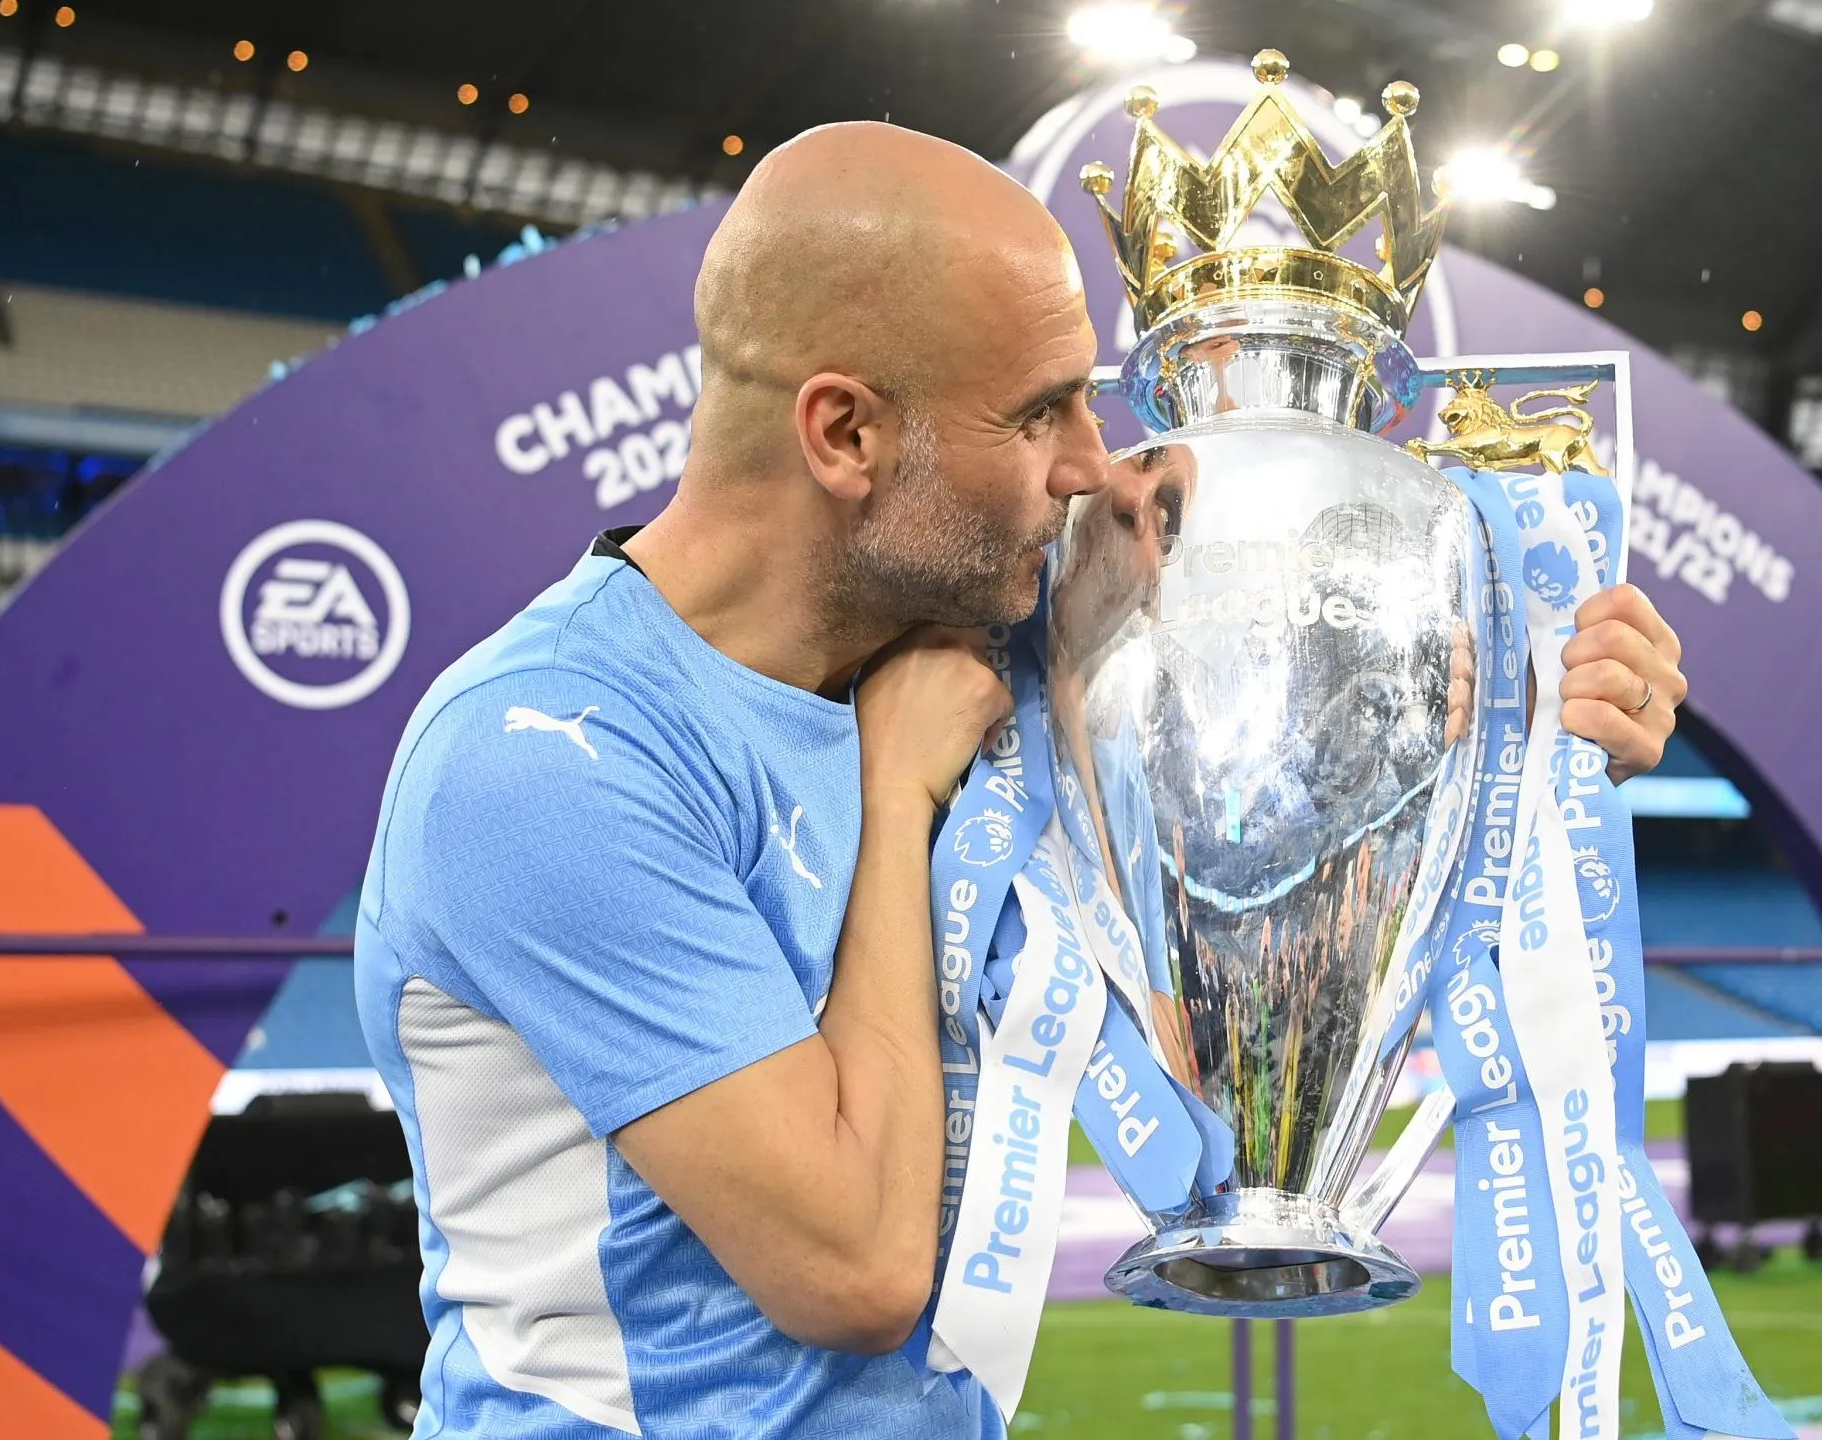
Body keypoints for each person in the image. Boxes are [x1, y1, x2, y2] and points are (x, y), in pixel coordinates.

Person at [355, 120, 1690, 1440]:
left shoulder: (979, 643)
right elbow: (855, 1274)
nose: (1086, 464)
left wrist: (1550, 712)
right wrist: (892, 813)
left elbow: (1285, 804)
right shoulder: (544, 757)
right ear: (845, 434)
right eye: (1037, 412)